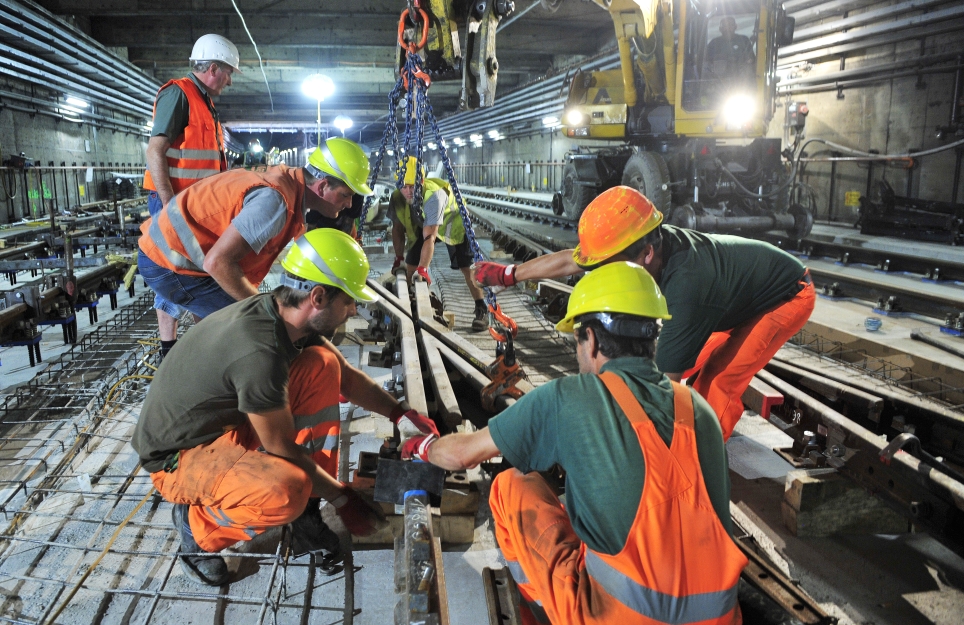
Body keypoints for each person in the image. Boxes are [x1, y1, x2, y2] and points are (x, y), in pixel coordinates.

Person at [401, 261, 745, 624]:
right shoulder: (699, 410)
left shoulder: (570, 396)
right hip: (721, 618)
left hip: (617, 617)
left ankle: (539, 606)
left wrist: (422, 446)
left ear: (591, 340)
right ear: (653, 340)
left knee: (511, 485)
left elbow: (461, 455)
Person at [131, 228, 440, 586]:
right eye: (349, 301)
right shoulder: (258, 350)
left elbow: (347, 378)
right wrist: (343, 500)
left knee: (324, 364)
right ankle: (195, 530)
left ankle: (307, 510)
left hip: (216, 427)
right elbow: (280, 445)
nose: (354, 310)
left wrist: (399, 413)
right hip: (177, 457)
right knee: (286, 491)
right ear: (319, 297)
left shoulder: (286, 319)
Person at [473, 186, 815, 440]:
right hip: (734, 298)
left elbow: (663, 387)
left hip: (786, 295)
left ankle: (693, 465)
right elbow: (569, 260)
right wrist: (509, 274)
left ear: (647, 254)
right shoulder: (630, 241)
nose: (605, 272)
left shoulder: (686, 288)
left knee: (717, 379)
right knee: (686, 364)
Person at [137, 137, 372, 332]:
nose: (349, 204)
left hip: (175, 256)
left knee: (232, 320)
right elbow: (217, 262)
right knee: (260, 328)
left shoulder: (285, 183)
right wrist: (265, 309)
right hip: (167, 262)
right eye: (345, 195)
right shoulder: (276, 201)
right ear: (321, 187)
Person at [143, 33, 240, 357]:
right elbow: (155, 151)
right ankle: (168, 349)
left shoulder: (205, 104)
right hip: (175, 204)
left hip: (194, 207)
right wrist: (170, 205)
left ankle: (204, 341)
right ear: (213, 68)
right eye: (228, 72)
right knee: (175, 270)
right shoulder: (179, 94)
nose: (229, 81)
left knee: (197, 272)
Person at [388, 156, 488, 331]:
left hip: (453, 222)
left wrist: (423, 269)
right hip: (427, 223)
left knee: (467, 268)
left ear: (421, 181)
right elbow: (397, 229)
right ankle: (411, 305)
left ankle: (482, 308)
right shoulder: (397, 197)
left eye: (413, 186)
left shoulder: (434, 196)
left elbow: (430, 237)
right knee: (410, 265)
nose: (409, 191)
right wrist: (398, 258)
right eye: (404, 187)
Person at [705, 16, 755, 87]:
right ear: (720, 29)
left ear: (735, 26)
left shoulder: (744, 40)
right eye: (724, 26)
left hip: (741, 83)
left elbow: (751, 60)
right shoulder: (714, 43)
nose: (727, 28)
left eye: (730, 25)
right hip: (718, 84)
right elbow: (707, 62)